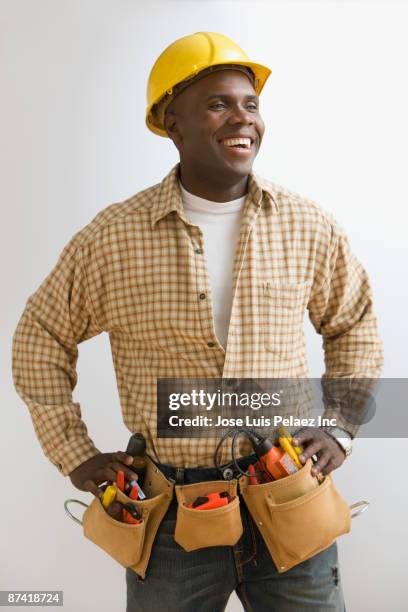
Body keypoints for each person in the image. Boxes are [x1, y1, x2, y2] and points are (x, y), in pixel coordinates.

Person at [12, 31, 383, 611]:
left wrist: (339, 425)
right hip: (168, 521)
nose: (243, 118)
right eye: (218, 104)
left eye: (251, 104)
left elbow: (354, 325)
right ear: (171, 121)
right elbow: (40, 336)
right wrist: (74, 452)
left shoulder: (308, 227)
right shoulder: (113, 238)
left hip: (288, 494)